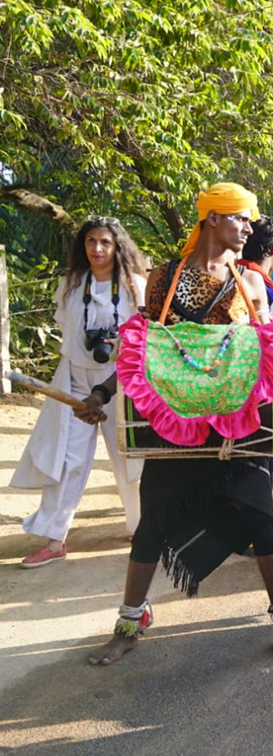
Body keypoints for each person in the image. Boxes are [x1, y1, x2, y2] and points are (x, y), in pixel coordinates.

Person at [85, 183, 273, 666]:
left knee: (262, 523)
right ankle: (129, 622)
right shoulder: (165, 278)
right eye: (241, 219)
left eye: (251, 221)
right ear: (212, 219)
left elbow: (270, 356)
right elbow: (142, 347)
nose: (249, 228)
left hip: (240, 425)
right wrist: (103, 391)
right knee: (152, 525)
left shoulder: (252, 283)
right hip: (179, 422)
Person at [13, 218, 147, 567]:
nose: (97, 249)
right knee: (67, 460)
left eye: (105, 242)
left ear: (117, 247)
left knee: (129, 458)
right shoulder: (71, 285)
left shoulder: (135, 286)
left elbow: (144, 340)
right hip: (73, 381)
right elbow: (67, 331)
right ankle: (55, 539)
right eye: (90, 241)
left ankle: (142, 528)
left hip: (121, 381)